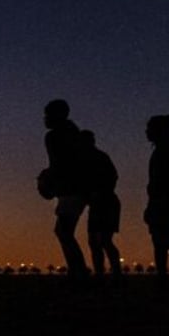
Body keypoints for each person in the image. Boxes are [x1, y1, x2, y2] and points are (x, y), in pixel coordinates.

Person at [42, 99, 88, 278]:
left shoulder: (56, 136)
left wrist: (48, 180)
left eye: (47, 115)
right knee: (64, 231)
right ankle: (78, 270)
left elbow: (60, 164)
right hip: (74, 189)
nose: (44, 119)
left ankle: (78, 271)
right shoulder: (73, 132)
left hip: (71, 190)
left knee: (64, 232)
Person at [79, 130, 122, 279]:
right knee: (95, 241)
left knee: (103, 240)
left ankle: (114, 272)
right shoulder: (88, 159)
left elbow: (113, 177)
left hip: (107, 203)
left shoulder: (98, 158)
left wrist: (99, 192)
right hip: (99, 204)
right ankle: (101, 273)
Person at [143, 115, 169, 279]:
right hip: (165, 200)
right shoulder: (167, 149)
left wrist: (153, 204)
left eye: (150, 128)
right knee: (160, 239)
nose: (146, 132)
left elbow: (161, 181)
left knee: (160, 239)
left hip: (164, 201)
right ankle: (162, 276)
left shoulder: (165, 151)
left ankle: (162, 276)